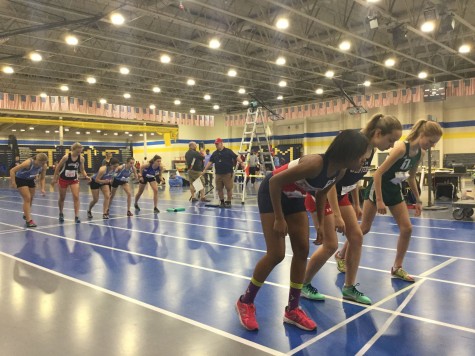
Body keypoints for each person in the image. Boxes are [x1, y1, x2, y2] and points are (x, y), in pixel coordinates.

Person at [235, 130, 370, 331]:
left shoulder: (339, 172)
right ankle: (245, 301)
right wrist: (279, 218)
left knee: (302, 251)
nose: (363, 162)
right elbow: (274, 182)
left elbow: (321, 192)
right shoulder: (315, 163)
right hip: (273, 193)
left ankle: (292, 309)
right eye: (361, 157)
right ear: (349, 153)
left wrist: (321, 224)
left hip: (294, 196)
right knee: (276, 254)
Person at [303, 114, 403, 305]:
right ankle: (303, 284)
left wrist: (356, 203)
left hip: (341, 197)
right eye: (390, 140)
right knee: (330, 245)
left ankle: (349, 287)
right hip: (323, 195)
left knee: (356, 237)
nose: (391, 146)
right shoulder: (356, 145)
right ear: (378, 133)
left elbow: (354, 178)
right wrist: (338, 215)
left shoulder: (370, 149)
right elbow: (330, 181)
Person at [356, 119, 443, 282]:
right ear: (422, 134)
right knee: (365, 228)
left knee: (407, 228)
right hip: (379, 188)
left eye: (434, 143)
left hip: (395, 189)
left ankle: (397, 267)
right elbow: (378, 174)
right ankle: (341, 255)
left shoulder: (420, 153)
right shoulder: (401, 148)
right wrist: (380, 201)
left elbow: (411, 177)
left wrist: (418, 200)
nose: (432, 146)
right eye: (431, 142)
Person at [52, 142, 90, 223]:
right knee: (62, 197)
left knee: (76, 196)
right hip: (63, 179)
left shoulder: (81, 158)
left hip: (74, 179)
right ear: (73, 149)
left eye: (80, 152)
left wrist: (86, 176)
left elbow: (82, 170)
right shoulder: (66, 157)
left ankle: (76, 216)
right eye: (77, 151)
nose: (79, 153)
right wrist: (54, 178)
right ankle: (61, 213)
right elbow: (58, 167)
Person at [10, 153, 48, 227]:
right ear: (37, 160)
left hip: (30, 179)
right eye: (41, 163)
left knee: (31, 199)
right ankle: (29, 220)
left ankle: (26, 214)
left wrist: (42, 188)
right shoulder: (28, 163)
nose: (43, 164)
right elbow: (12, 170)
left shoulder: (44, 166)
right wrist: (13, 182)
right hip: (20, 179)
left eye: (44, 163)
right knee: (27, 198)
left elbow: (42, 178)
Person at [202, 138, 243, 208]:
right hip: (218, 174)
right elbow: (210, 162)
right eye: (215, 144)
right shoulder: (215, 153)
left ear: (221, 143)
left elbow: (236, 157)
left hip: (227, 173)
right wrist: (204, 170)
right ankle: (222, 202)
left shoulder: (228, 151)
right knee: (219, 188)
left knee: (229, 188)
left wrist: (242, 163)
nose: (216, 145)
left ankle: (229, 201)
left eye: (217, 144)